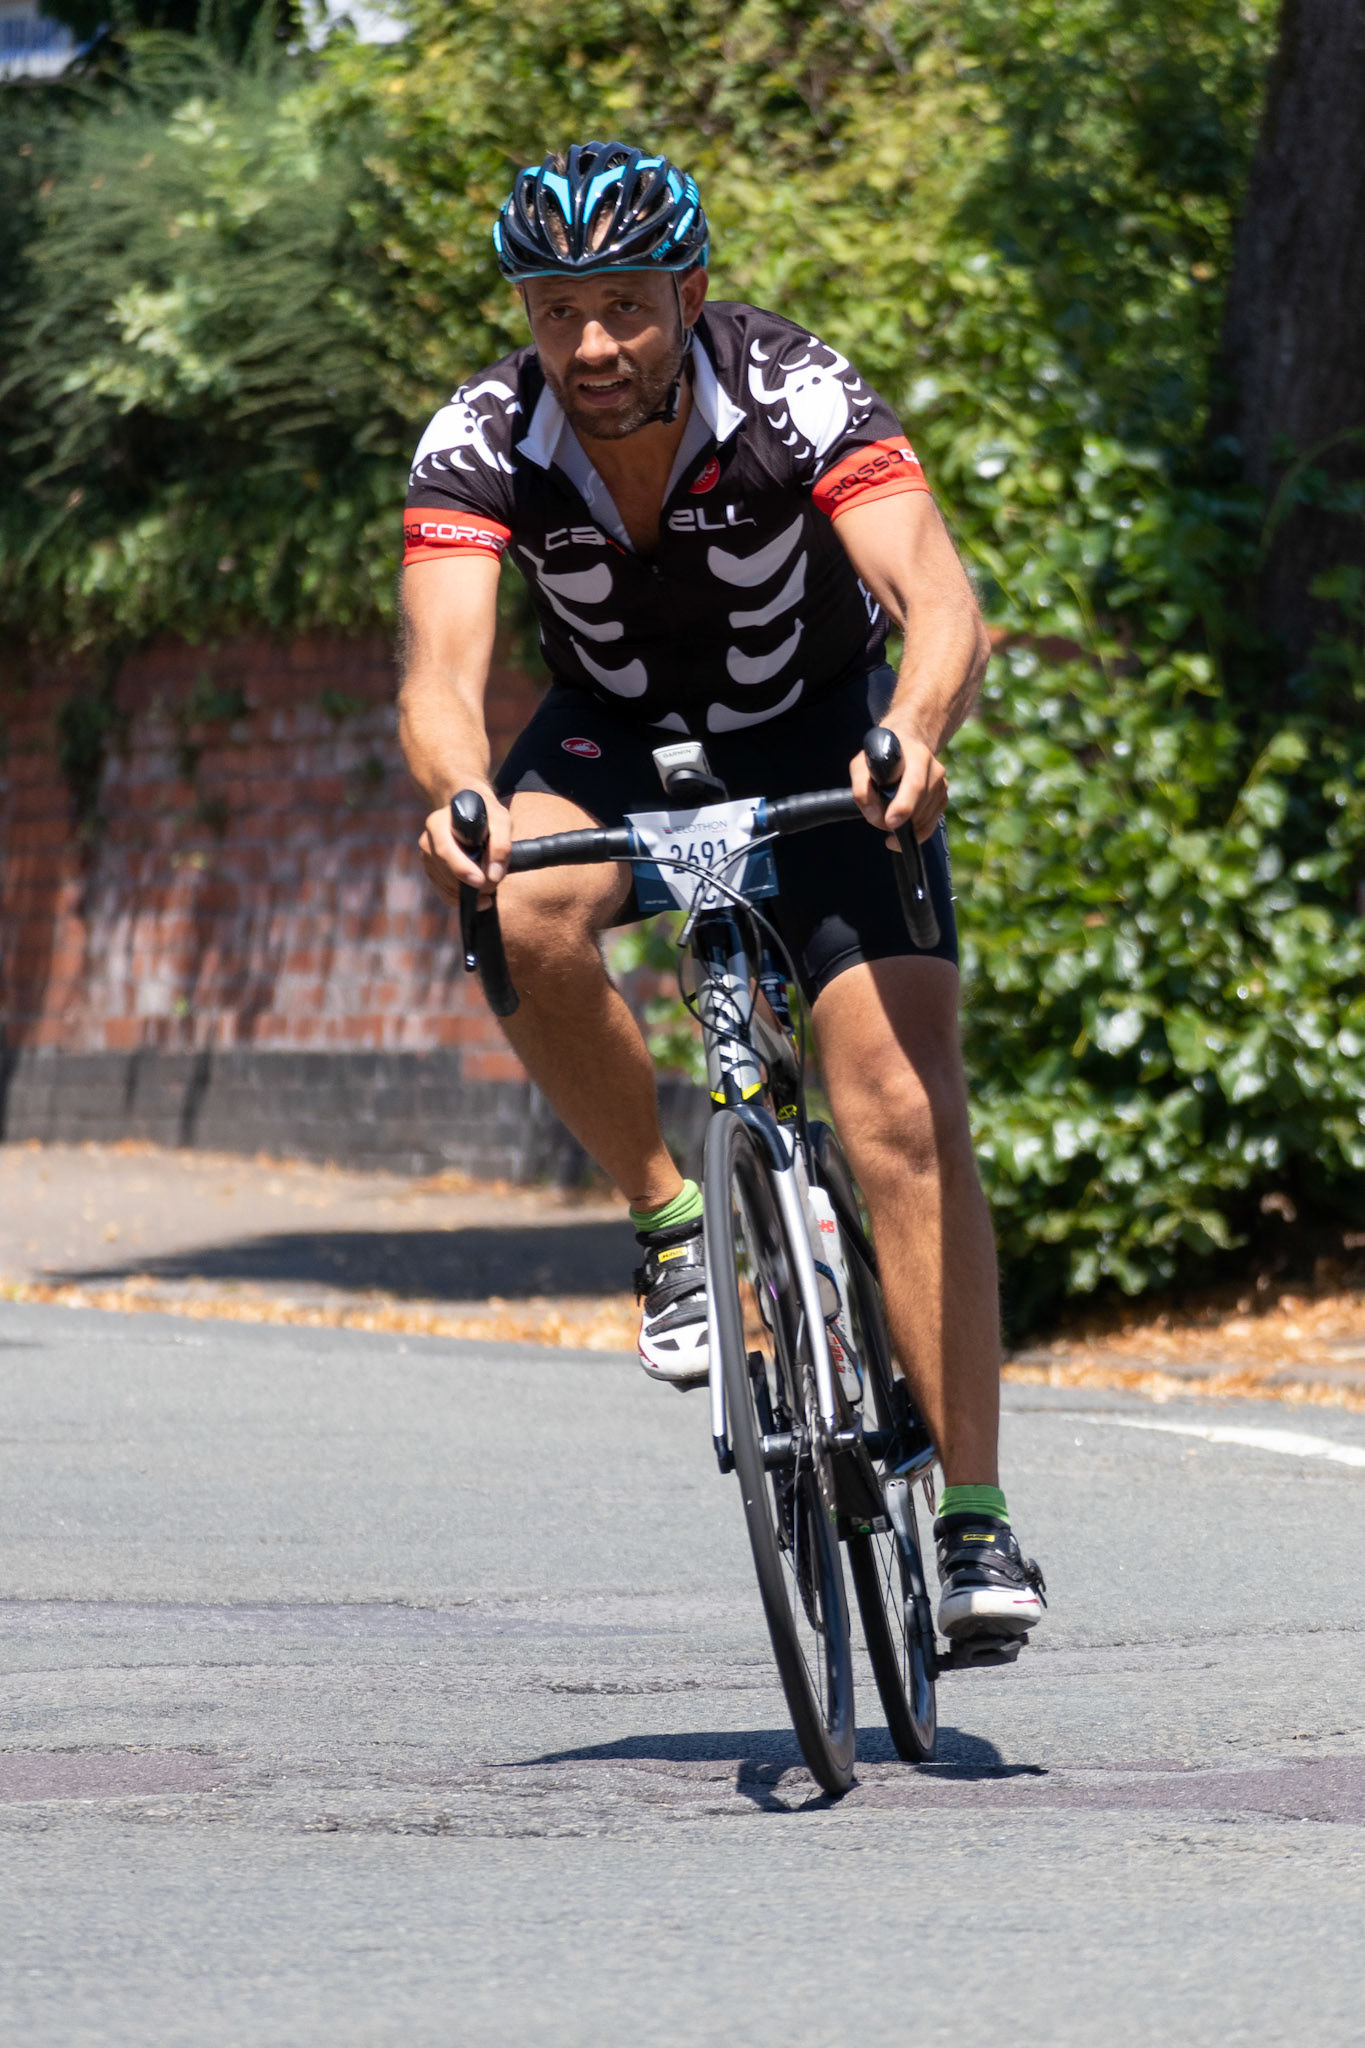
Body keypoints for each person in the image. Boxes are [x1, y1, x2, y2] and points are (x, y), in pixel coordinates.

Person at [397, 142, 1045, 1648]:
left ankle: (973, 1521)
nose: (594, 346)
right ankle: (673, 1223)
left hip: (822, 729)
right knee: (522, 902)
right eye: (558, 313)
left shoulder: (793, 389)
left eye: (624, 306)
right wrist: (460, 798)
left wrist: (917, 730)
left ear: (687, 292)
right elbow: (440, 674)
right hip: (613, 739)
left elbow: (937, 600)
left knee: (894, 1106)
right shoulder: (481, 435)